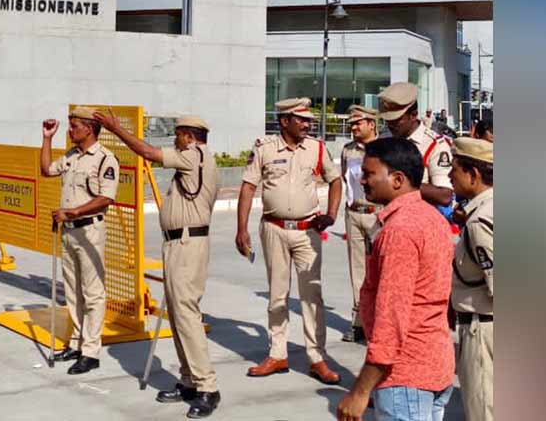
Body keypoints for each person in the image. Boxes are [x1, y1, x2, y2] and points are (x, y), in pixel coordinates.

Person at [95, 111, 221, 418]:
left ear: (190, 136)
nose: (175, 141)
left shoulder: (194, 155)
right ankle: (190, 380)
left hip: (187, 243)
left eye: (178, 135)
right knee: (178, 315)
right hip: (179, 242)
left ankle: (208, 387)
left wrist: (116, 128)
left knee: (187, 314)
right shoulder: (196, 157)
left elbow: (148, 153)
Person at [336, 137, 455, 421]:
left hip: (405, 376)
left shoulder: (400, 231)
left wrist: (361, 390)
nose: (362, 181)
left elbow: (391, 319)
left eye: (368, 174)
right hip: (435, 364)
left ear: (398, 179)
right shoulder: (431, 217)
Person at [236, 97, 343, 385]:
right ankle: (277, 353)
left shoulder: (317, 149)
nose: (307, 124)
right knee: (277, 295)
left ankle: (317, 357)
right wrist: (241, 229)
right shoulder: (264, 149)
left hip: (308, 231)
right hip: (274, 228)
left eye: (308, 119)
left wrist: (331, 214)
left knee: (311, 295)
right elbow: (247, 188)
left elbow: (335, 180)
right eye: (301, 119)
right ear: (285, 121)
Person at [39, 107, 119, 375]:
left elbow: (106, 198)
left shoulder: (105, 159)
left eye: (74, 126)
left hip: (89, 231)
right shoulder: (72, 156)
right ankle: (77, 342)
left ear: (89, 128)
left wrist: (73, 211)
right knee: (72, 291)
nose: (70, 131)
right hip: (69, 231)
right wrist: (47, 138)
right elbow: (47, 170)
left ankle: (91, 352)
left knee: (93, 293)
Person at [449, 138, 494, 421]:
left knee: (483, 409)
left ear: (473, 175)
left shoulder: (481, 222)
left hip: (483, 330)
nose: (450, 177)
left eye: (455, 170)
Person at [377, 83, 455, 213]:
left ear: (413, 115)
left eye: (396, 120)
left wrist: (402, 182)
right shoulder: (385, 140)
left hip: (419, 222)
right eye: (387, 120)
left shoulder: (435, 145)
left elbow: (445, 196)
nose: (390, 125)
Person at [339, 105, 380, 343]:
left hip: (378, 214)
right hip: (354, 213)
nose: (353, 128)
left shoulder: (384, 149)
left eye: (358, 123)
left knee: (381, 269)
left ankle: (379, 320)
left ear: (371, 124)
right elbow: (346, 178)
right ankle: (360, 321)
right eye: (351, 124)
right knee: (357, 271)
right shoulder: (348, 151)